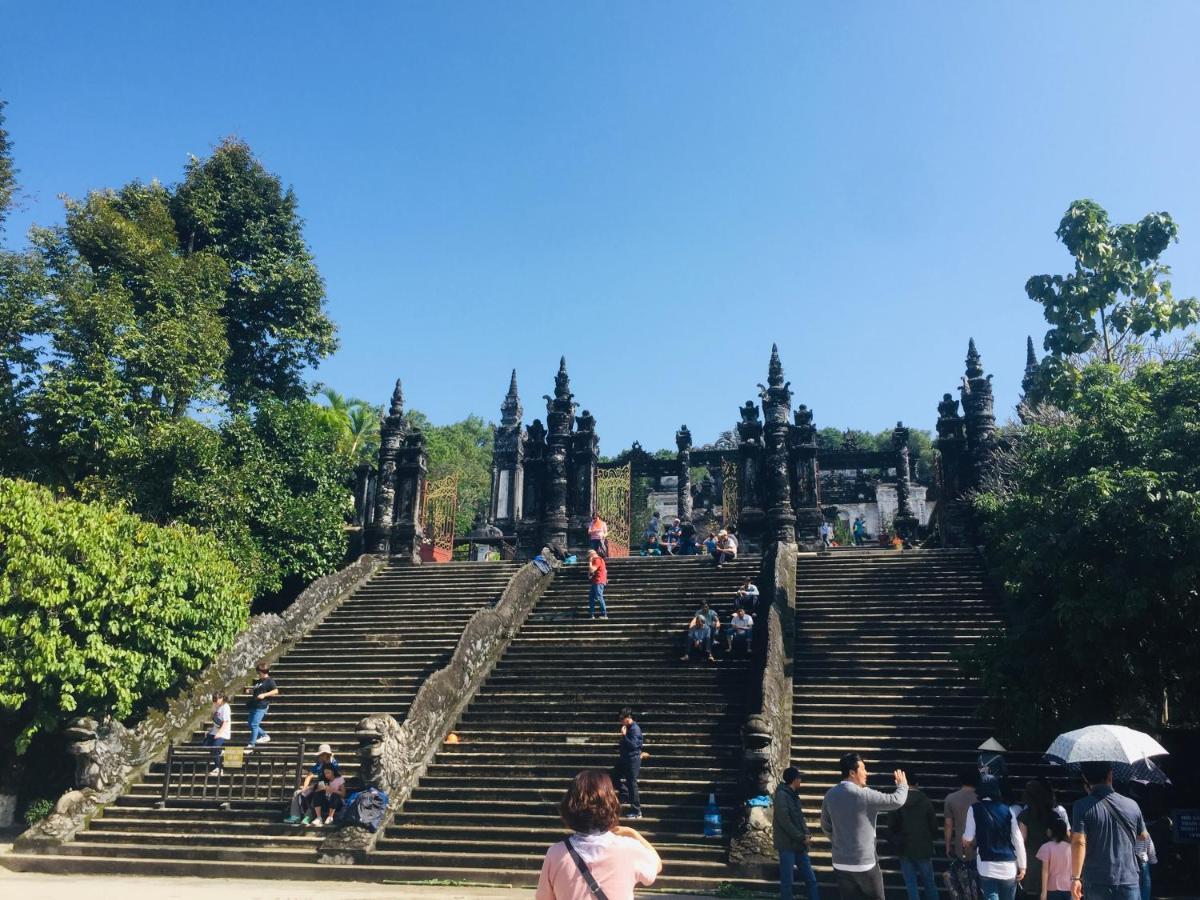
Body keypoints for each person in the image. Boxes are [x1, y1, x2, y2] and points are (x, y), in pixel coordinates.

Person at [535, 770, 661, 899]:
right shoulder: (629, 848)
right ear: (611, 803)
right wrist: (633, 833)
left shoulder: (556, 853)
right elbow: (656, 865)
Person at [820, 752, 908, 900]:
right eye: (863, 769)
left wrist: (838, 841)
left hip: (840, 861)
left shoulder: (830, 794)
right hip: (864, 862)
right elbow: (897, 800)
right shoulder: (864, 795)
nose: (867, 773)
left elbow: (825, 825)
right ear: (852, 772)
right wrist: (903, 786)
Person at [1069, 761, 1149, 900]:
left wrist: (1076, 878)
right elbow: (1143, 836)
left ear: (1085, 778)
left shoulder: (1081, 806)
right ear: (1110, 776)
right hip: (1128, 878)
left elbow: (1079, 842)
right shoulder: (1132, 805)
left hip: (1096, 880)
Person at [963, 776, 1026, 900]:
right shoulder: (1008, 810)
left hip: (986, 865)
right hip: (1008, 866)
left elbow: (968, 837)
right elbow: (1018, 839)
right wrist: (1023, 866)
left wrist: (964, 840)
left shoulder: (974, 809)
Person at [888, 769, 939, 900]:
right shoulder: (924, 799)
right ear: (916, 784)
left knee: (911, 884)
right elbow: (933, 824)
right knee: (929, 882)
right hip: (923, 846)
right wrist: (933, 836)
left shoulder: (897, 800)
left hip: (904, 847)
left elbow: (891, 826)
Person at [775, 767, 821, 900]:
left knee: (811, 879)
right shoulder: (781, 795)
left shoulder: (794, 796)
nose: (801, 780)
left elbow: (800, 818)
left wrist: (806, 833)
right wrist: (801, 837)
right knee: (787, 882)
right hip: (787, 845)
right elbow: (785, 821)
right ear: (794, 780)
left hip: (800, 845)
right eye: (799, 778)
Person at [1019, 779, 1067, 897]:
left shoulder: (1025, 815)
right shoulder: (1053, 814)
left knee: (1033, 893)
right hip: (1052, 858)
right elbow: (1063, 835)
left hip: (1032, 858)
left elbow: (1022, 839)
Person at [285, 743, 341, 824]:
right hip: (319, 785)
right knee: (297, 793)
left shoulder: (334, 764)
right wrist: (305, 786)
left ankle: (308, 816)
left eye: (322, 755)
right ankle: (295, 816)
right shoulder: (319, 764)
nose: (320, 757)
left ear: (327, 755)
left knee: (315, 793)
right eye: (320, 755)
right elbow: (309, 775)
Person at [611, 707, 643, 819]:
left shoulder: (635, 729)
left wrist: (624, 736)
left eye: (621, 718)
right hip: (624, 759)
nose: (620, 721)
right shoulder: (628, 727)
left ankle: (636, 811)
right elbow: (628, 745)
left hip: (632, 760)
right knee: (613, 776)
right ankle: (624, 794)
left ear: (628, 717)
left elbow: (633, 746)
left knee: (631, 784)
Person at [1036, 817, 1074, 900]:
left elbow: (1045, 871)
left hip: (1052, 889)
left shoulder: (1046, 847)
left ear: (1051, 831)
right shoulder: (1072, 848)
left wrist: (1044, 892)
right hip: (1070, 888)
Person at [245, 662, 278, 750]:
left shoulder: (269, 681)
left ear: (264, 672)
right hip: (254, 704)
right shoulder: (259, 681)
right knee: (250, 724)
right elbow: (257, 691)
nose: (258, 674)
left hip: (261, 706)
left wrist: (264, 695)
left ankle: (252, 744)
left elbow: (275, 691)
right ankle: (264, 735)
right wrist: (250, 691)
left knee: (254, 724)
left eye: (259, 673)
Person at [204, 691, 231, 775]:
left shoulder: (225, 707)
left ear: (221, 698)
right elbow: (215, 719)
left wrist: (219, 733)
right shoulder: (217, 706)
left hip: (223, 732)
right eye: (213, 699)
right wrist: (211, 730)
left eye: (216, 699)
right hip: (214, 731)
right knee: (205, 745)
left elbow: (225, 722)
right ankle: (220, 752)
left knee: (215, 747)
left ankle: (218, 768)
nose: (214, 701)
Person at [1134, 831, 1156, 900]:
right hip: (1142, 858)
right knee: (1145, 881)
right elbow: (1151, 848)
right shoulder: (1144, 833)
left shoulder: (1124, 830)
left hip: (1130, 860)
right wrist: (1153, 860)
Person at [587, 549, 608, 620]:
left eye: (589, 556)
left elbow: (592, 569)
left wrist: (590, 562)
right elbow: (590, 572)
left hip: (598, 581)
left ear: (592, 555)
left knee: (599, 597)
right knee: (591, 597)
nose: (589, 558)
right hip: (595, 581)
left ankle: (604, 614)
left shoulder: (597, 559)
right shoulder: (597, 560)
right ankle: (591, 614)